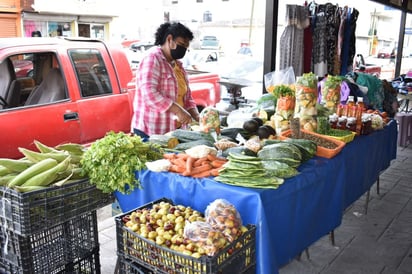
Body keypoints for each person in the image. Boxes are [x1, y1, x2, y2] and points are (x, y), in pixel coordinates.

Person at [131, 22, 200, 139]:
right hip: (151, 132)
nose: (183, 49)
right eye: (182, 44)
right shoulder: (152, 59)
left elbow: (187, 98)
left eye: (186, 47)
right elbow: (149, 94)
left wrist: (198, 118)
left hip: (174, 132)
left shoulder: (178, 66)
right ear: (169, 39)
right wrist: (178, 111)